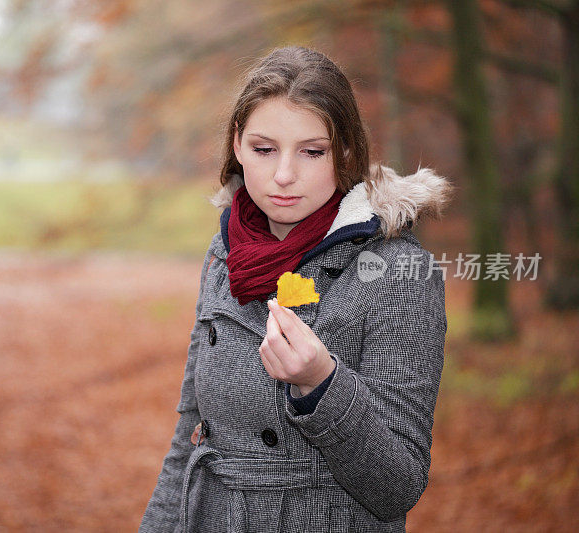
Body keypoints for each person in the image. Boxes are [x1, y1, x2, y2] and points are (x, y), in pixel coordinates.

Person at [138, 46, 452, 533]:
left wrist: (321, 383)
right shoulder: (226, 255)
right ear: (238, 146)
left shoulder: (397, 270)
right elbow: (189, 443)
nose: (284, 175)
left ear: (345, 151)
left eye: (312, 151)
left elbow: (399, 485)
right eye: (265, 150)